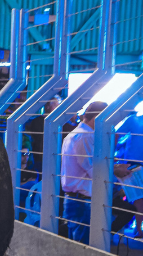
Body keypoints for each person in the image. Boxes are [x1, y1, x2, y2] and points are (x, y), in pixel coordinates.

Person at [61, 101, 133, 244]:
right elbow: (95, 172)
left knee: (77, 247)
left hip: (76, 199)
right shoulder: (85, 137)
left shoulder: (76, 134)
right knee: (84, 249)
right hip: (83, 201)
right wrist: (116, 171)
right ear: (97, 118)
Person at [115, 111, 143, 237]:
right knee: (138, 198)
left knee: (138, 199)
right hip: (134, 164)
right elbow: (115, 136)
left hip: (133, 163)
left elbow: (116, 136)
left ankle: (138, 229)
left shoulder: (133, 120)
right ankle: (138, 228)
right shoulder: (133, 120)